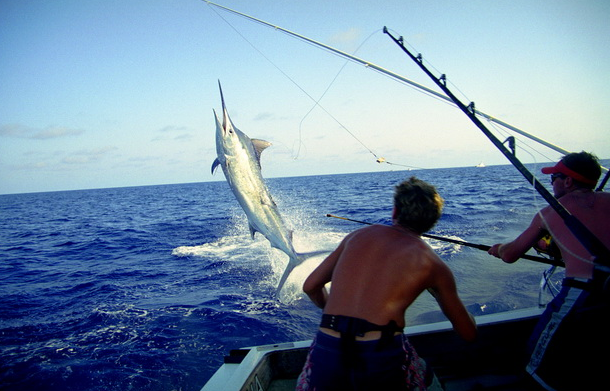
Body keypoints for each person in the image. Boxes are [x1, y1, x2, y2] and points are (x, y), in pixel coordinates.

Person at [296, 177, 477, 391]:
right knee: (426, 377)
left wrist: (330, 308)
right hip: (379, 353)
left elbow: (311, 286)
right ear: (432, 221)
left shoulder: (356, 236)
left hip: (327, 344)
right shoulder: (434, 266)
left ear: (394, 212)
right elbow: (468, 333)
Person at [488, 151, 610, 390]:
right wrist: (550, 247)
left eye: (554, 177)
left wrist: (499, 248)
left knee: (537, 361)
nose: (551, 183)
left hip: (582, 295)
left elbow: (512, 254)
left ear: (568, 181)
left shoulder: (551, 211)